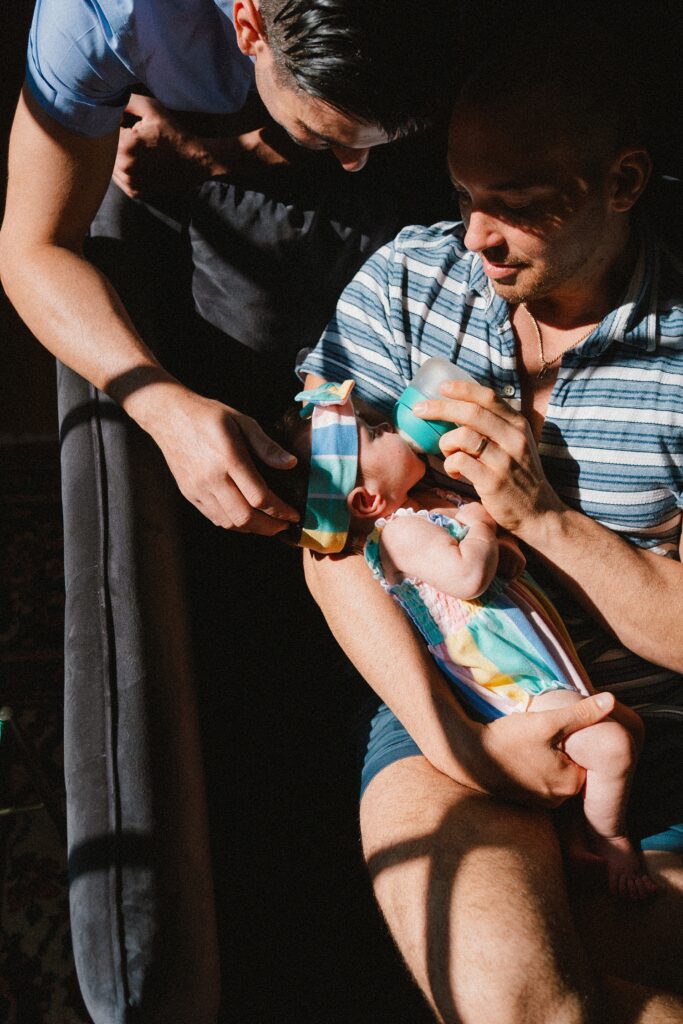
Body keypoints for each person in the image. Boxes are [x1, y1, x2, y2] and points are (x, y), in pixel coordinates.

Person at [297, 25, 683, 1024]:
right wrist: (461, 745)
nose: (474, 234)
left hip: (653, 738)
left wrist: (541, 519)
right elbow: (327, 540)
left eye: (513, 204)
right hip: (444, 716)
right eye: (464, 194)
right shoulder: (405, 287)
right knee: (519, 1007)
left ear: (622, 180)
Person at [0, 0, 457, 534]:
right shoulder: (96, 18)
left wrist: (213, 154)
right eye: (325, 136)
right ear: (248, 27)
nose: (356, 164)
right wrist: (163, 407)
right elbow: (32, 247)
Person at [277, 379, 656, 898]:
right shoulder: (402, 533)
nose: (387, 425)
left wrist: (504, 554)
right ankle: (611, 840)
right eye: (373, 433)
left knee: (625, 728)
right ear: (367, 499)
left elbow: (486, 574)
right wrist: (480, 528)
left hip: (529, 657)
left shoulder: (424, 513)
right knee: (611, 744)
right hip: (508, 674)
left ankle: (577, 835)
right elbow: (466, 578)